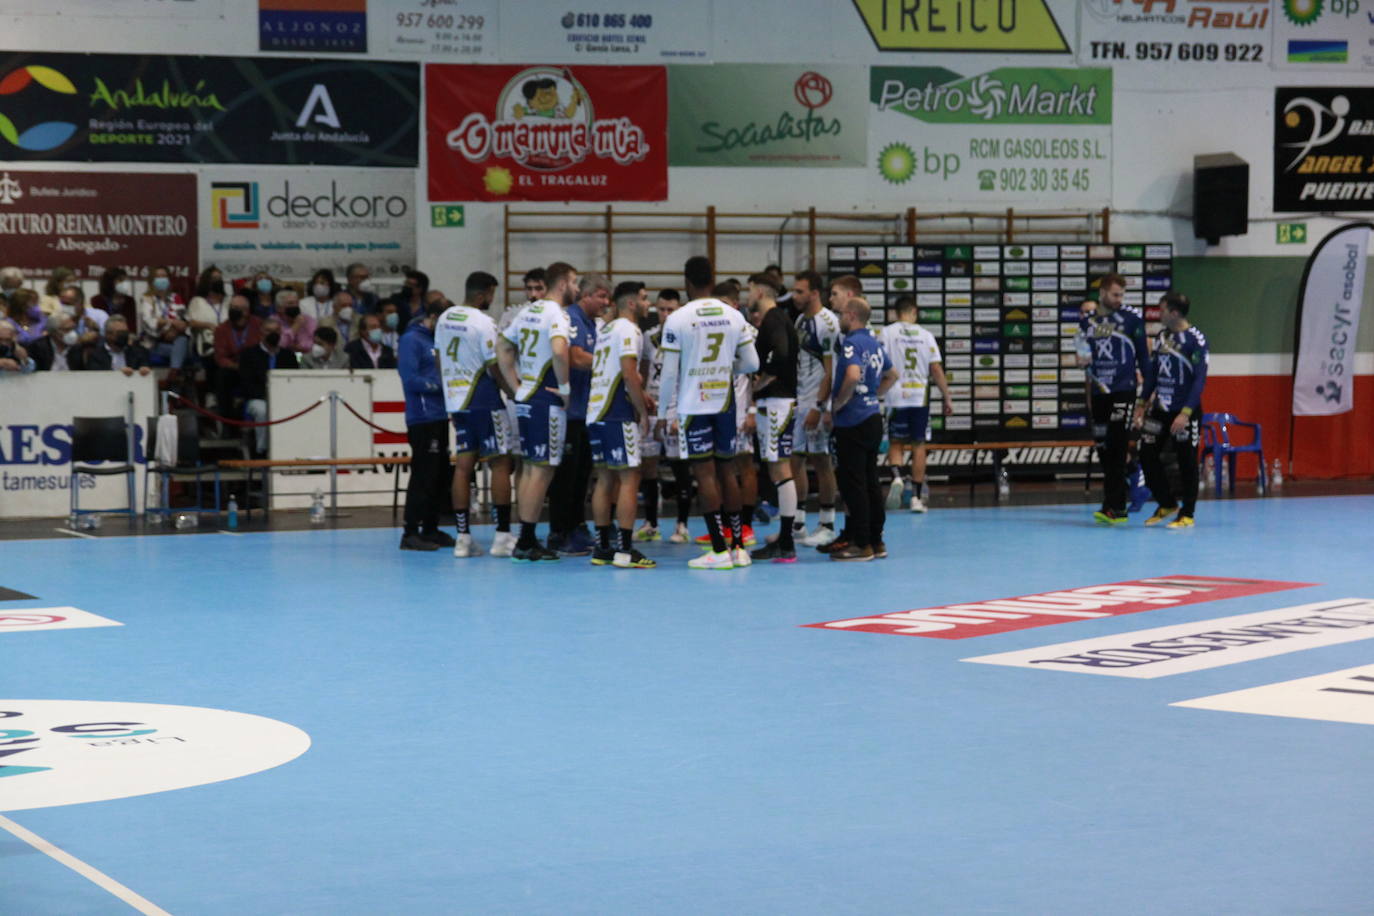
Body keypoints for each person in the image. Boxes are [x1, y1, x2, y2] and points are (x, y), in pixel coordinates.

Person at [656, 256, 759, 570]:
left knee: (705, 474)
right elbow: (753, 364)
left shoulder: (677, 318)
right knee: (728, 471)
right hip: (725, 401)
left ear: (687, 282)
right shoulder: (734, 315)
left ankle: (718, 550)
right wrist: (727, 368)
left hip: (694, 404)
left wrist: (662, 412)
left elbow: (670, 374)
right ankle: (739, 547)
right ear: (712, 281)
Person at [498, 261, 576, 562]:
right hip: (546, 398)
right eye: (574, 282)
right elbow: (559, 350)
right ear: (562, 284)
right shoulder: (556, 313)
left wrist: (516, 385)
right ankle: (527, 540)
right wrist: (565, 388)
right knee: (541, 471)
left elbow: (503, 345)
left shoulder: (527, 311)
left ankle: (526, 537)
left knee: (530, 468)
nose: (576, 287)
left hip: (527, 396)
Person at [436, 271, 517, 558]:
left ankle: (463, 538)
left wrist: (450, 393)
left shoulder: (444, 318)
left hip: (457, 401)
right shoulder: (484, 322)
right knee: (500, 463)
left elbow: (439, 359)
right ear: (483, 294)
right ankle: (502, 536)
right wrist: (514, 392)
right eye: (492, 295)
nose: (492, 301)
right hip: (483, 398)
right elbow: (495, 365)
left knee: (463, 466)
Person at [587, 282, 656, 569]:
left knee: (605, 479)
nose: (647, 302)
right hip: (616, 412)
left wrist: (642, 394)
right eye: (643, 297)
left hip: (596, 411)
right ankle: (626, 551)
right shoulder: (630, 329)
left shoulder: (607, 329)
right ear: (630, 303)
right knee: (630, 477)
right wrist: (641, 412)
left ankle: (603, 547)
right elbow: (629, 372)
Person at [1076, 273, 1152, 525]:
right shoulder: (1088, 322)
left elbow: (1144, 357)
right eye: (1115, 294)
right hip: (1100, 393)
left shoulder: (1132, 320)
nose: (1119, 299)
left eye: (1122, 295)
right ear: (1102, 293)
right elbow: (1082, 357)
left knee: (1118, 446)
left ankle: (1117, 507)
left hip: (1123, 391)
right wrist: (1081, 360)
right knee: (1103, 448)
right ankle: (1110, 504)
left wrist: (1144, 398)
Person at [828, 297, 897, 561]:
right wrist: (872, 396)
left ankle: (861, 543)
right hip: (872, 418)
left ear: (852, 315)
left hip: (853, 421)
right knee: (870, 482)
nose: (839, 319)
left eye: (842, 314)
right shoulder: (875, 343)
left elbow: (853, 375)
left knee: (853, 484)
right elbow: (893, 375)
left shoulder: (852, 343)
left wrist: (840, 403)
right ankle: (876, 541)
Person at [547, 273, 608, 555]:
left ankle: (577, 526)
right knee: (566, 477)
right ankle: (559, 532)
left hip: (585, 410)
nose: (605, 302)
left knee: (582, 475)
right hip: (568, 411)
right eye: (601, 296)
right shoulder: (571, 318)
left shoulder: (593, 324)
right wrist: (609, 365)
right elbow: (575, 356)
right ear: (587, 295)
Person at [1136, 292, 1208, 530]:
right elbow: (1153, 373)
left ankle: (1187, 513)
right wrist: (1141, 403)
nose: (1159, 314)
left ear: (1174, 313)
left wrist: (1186, 413)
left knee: (1187, 461)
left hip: (1184, 411)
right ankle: (1166, 503)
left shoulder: (1195, 339)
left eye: (1162, 309)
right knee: (1146, 452)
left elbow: (1199, 380)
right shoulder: (1162, 336)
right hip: (1160, 409)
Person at [746, 273, 802, 563]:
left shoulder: (774, 319)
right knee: (777, 468)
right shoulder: (775, 319)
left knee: (780, 468)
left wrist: (761, 382)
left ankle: (787, 541)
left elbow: (779, 356)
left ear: (759, 291)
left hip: (778, 402)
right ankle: (784, 537)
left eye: (749, 290)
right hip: (777, 402)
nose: (747, 295)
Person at [880, 295, 953, 513]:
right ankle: (917, 499)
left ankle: (897, 477)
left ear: (896, 312)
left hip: (895, 396)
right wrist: (947, 396)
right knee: (919, 445)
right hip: (919, 397)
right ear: (914, 311)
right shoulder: (926, 336)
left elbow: (879, 363)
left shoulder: (887, 332)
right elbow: (936, 370)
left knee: (895, 442)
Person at [396, 297, 455, 551]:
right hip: (423, 417)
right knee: (423, 474)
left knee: (439, 474)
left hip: (439, 415)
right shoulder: (412, 340)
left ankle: (430, 528)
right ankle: (410, 531)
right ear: (432, 317)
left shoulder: (435, 340)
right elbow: (409, 379)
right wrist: (443, 387)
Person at [635, 286, 693, 544]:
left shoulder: (687, 338)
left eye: (671, 309)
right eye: (662, 309)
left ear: (679, 310)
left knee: (680, 467)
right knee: (648, 466)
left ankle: (682, 525)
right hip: (652, 405)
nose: (666, 314)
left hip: (675, 408)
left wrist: (682, 413)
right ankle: (651, 523)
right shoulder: (649, 337)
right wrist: (642, 408)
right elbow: (644, 372)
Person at [788, 270, 842, 546]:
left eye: (800, 291)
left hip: (818, 402)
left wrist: (821, 406)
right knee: (794, 460)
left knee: (821, 460)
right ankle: (797, 522)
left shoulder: (828, 323)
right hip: (801, 399)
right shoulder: (800, 320)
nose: (794, 296)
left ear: (814, 293)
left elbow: (831, 371)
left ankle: (827, 523)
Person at [240, 317, 299, 456]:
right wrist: (267, 395)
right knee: (263, 410)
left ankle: (291, 449)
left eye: (276, 331)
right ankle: (264, 450)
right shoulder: (248, 354)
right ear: (261, 333)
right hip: (258, 398)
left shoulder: (288, 356)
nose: (272, 334)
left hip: (284, 399)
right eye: (268, 331)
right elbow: (246, 383)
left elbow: (294, 381)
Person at [213, 294, 261, 421]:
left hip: (254, 368)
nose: (233, 310)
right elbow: (220, 357)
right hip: (234, 369)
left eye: (237, 308)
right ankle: (227, 420)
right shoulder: (221, 329)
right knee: (222, 377)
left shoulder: (258, 324)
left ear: (246, 311)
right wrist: (236, 366)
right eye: (232, 307)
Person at [137, 265, 189, 369]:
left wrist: (165, 324)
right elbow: (150, 325)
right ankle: (175, 374)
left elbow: (183, 323)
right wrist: (171, 325)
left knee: (182, 341)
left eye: (164, 276)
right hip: (154, 344)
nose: (161, 279)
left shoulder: (176, 297)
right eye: (158, 276)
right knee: (181, 352)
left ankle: (174, 373)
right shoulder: (146, 299)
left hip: (175, 341)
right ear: (152, 280)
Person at [70, 315, 151, 375]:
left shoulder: (138, 353)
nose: (124, 335)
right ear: (108, 334)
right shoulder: (95, 355)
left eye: (126, 332)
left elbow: (144, 367)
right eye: (120, 333)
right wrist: (118, 374)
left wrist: (143, 370)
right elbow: (97, 376)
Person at [187, 266, 230, 370]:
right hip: (206, 342)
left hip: (227, 342)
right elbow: (191, 323)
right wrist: (208, 325)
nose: (218, 281)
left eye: (219, 279)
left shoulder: (227, 302)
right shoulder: (197, 301)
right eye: (214, 279)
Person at [272, 287, 315, 354]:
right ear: (279, 308)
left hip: (305, 357)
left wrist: (302, 346)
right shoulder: (273, 321)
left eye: (297, 303)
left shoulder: (308, 319)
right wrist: (295, 327)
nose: (295, 306)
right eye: (290, 303)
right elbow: (279, 344)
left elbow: (316, 342)